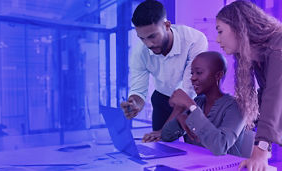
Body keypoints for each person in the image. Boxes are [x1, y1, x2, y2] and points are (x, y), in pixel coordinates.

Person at [120, 0, 208, 142]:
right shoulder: (140, 52)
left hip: (192, 101)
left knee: (194, 150)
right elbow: (138, 90)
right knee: (161, 147)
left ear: (167, 26)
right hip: (162, 98)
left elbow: (189, 90)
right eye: (142, 38)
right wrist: (135, 103)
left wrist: (166, 129)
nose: (148, 44)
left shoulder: (195, 40)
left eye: (152, 36)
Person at [215, 1, 282, 170]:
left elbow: (274, 96)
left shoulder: (278, 46)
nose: (217, 39)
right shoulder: (260, 55)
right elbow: (265, 96)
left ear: (239, 27)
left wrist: (260, 152)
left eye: (220, 31)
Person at [161, 51, 252, 157]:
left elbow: (220, 146)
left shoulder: (236, 106)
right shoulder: (198, 101)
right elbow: (166, 136)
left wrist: (190, 105)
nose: (193, 78)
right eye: (192, 73)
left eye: (199, 72)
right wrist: (178, 117)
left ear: (218, 75)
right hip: (194, 164)